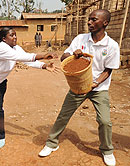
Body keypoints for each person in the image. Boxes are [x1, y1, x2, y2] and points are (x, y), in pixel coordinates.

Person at [38, 9, 120, 166]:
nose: (89, 22)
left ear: (105, 23)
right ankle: (51, 143)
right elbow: (64, 57)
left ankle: (106, 150)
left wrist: (95, 84)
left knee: (105, 121)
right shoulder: (80, 39)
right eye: (89, 19)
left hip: (98, 88)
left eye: (94, 20)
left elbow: (108, 70)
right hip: (78, 86)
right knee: (63, 115)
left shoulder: (112, 46)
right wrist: (72, 55)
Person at [0, 27, 59, 149]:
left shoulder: (16, 48)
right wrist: (43, 55)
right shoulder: (1, 48)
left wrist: (44, 66)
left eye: (15, 35)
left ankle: (1, 136)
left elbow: (27, 60)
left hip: (0, 82)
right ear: (4, 38)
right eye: (11, 35)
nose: (15, 37)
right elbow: (23, 58)